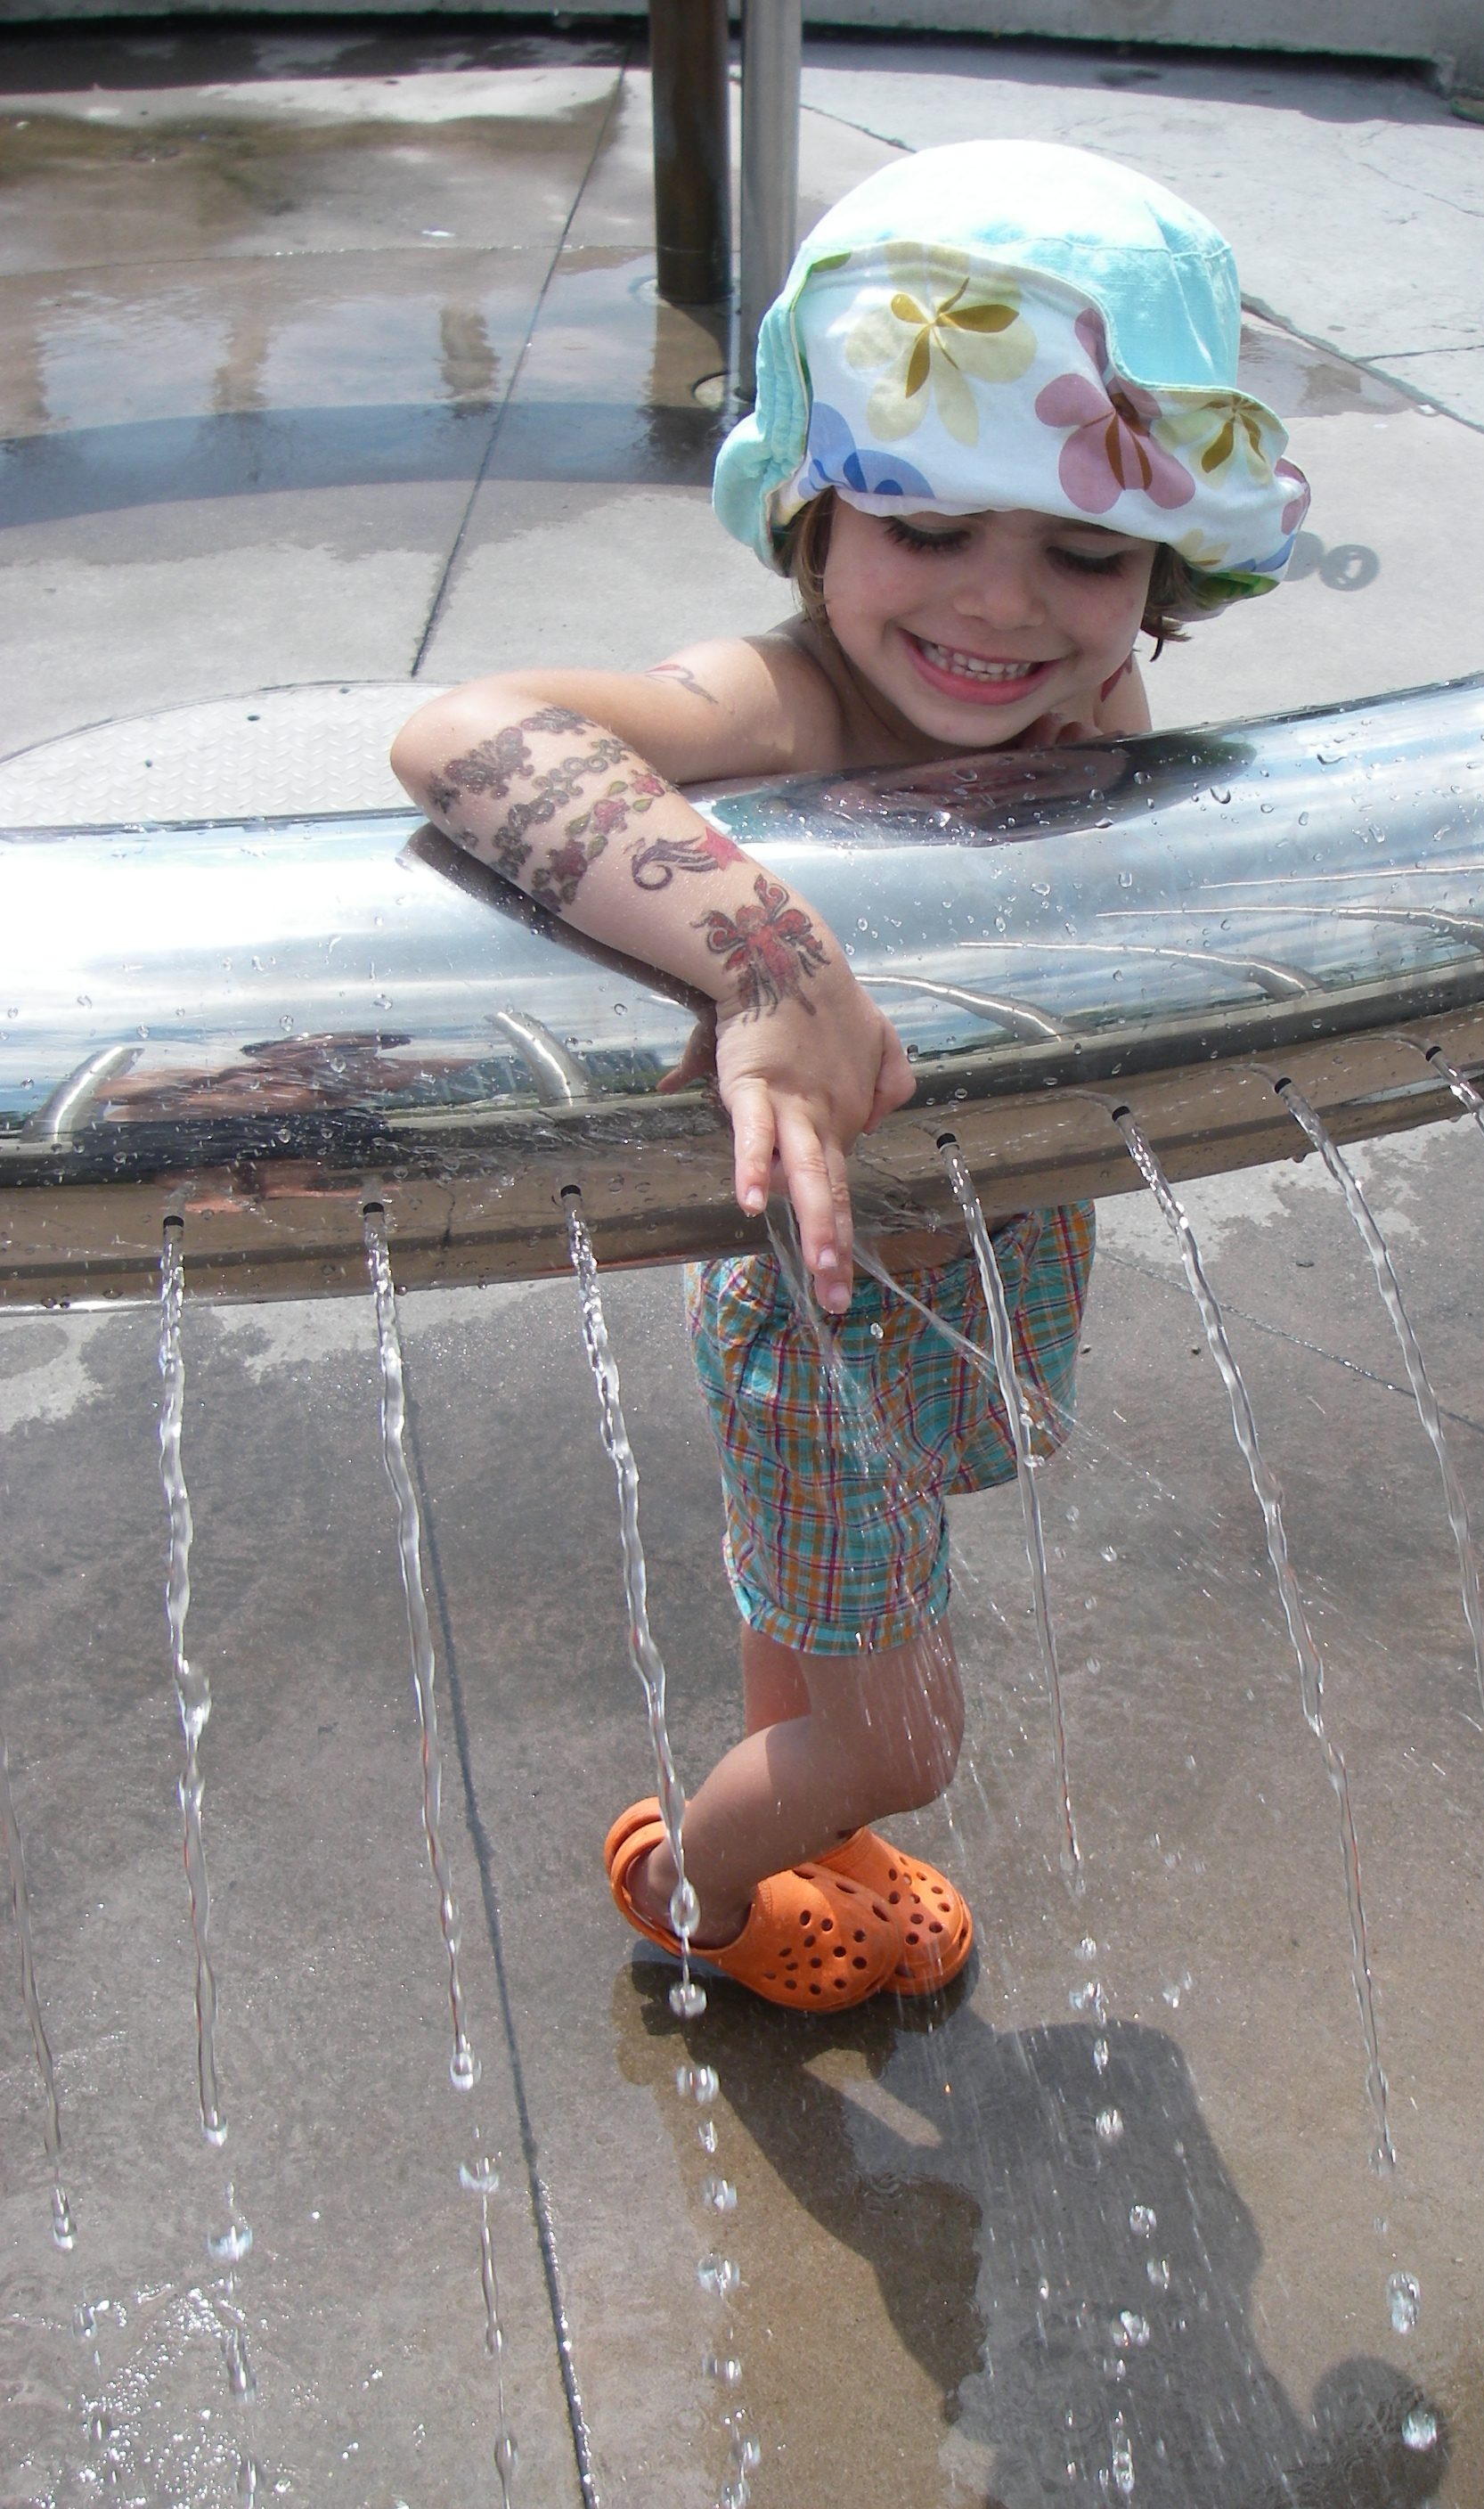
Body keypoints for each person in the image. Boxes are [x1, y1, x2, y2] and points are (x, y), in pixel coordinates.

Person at [390, 139, 1309, 2013]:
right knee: (901, 1736)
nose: (1005, 606)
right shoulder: (789, 702)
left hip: (963, 1253)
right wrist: (767, 952)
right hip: (827, 1314)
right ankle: (699, 1885)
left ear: (1165, 565)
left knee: (811, 1619)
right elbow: (463, 732)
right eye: (926, 522)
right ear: (812, 508)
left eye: (1083, 550)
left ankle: (803, 1807)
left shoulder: (1092, 701)